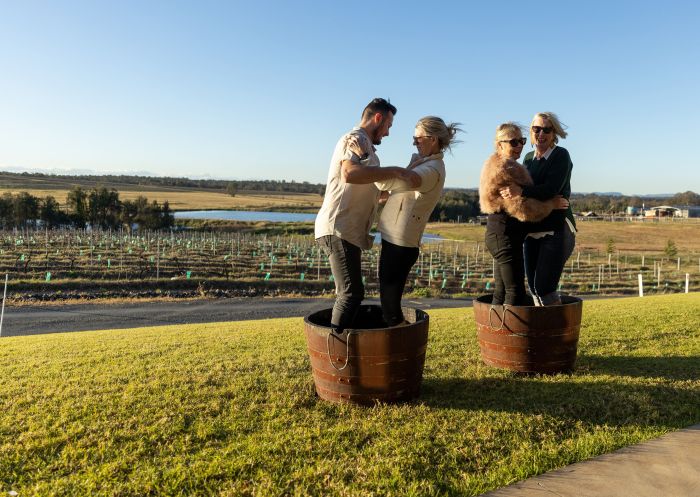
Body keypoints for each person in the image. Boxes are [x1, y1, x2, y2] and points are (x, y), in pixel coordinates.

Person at [315, 98, 420, 332]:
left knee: (351, 292)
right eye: (389, 126)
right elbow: (350, 174)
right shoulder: (355, 139)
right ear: (378, 118)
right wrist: (395, 171)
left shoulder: (367, 149)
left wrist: (404, 181)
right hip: (338, 227)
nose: (388, 133)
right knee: (351, 292)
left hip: (346, 230)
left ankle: (340, 349)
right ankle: (336, 350)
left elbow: (374, 192)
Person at [374, 116, 461, 326]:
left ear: (432, 139)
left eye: (417, 139)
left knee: (390, 308)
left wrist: (372, 170)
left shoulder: (433, 169)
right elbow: (400, 188)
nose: (414, 143)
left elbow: (412, 180)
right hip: (396, 237)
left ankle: (401, 348)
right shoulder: (424, 163)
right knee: (388, 303)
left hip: (401, 241)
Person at [480, 123, 568, 305]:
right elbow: (523, 209)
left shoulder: (496, 163)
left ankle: (493, 331)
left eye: (521, 141)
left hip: (498, 235)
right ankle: (511, 333)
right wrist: (551, 204)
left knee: (501, 292)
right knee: (515, 293)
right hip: (506, 238)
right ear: (500, 144)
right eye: (513, 142)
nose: (519, 145)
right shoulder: (508, 169)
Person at [499, 112, 576, 305]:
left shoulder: (560, 155)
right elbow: (535, 193)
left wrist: (521, 191)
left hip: (557, 228)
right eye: (536, 129)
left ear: (554, 133)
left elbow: (551, 189)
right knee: (533, 287)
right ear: (531, 132)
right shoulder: (527, 158)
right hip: (533, 228)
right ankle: (540, 331)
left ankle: (557, 331)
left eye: (547, 129)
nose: (541, 134)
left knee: (544, 287)